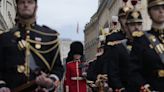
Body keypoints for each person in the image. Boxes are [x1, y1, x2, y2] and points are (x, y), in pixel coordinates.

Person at [0, 0, 64, 92]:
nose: (26, 5)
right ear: (17, 6)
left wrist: (50, 81)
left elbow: (57, 67)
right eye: (22, 2)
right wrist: (2, 86)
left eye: (30, 2)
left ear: (36, 7)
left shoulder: (49, 36)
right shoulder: (5, 38)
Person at [128, 0, 164, 91]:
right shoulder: (141, 40)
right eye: (156, 8)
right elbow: (133, 71)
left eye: (163, 7)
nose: (161, 11)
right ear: (149, 12)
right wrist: (144, 87)